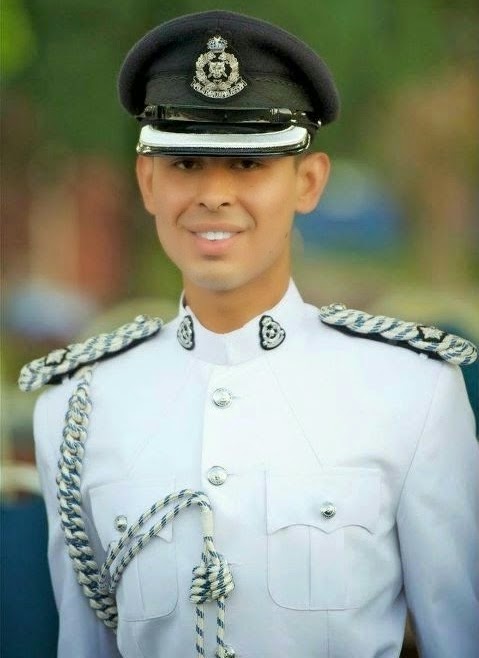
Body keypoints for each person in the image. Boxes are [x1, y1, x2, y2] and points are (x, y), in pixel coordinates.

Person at [18, 10, 479, 658]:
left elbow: (460, 636)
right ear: (147, 182)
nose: (213, 194)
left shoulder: (410, 391)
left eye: (247, 163)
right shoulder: (76, 407)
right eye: (185, 164)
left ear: (308, 182)